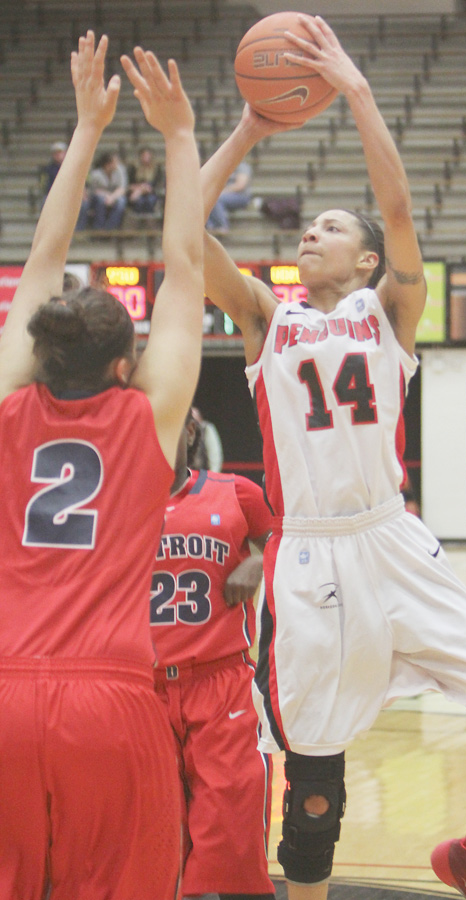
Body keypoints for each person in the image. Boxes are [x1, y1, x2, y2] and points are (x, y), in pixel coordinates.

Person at [198, 15, 466, 900]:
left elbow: (398, 208)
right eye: (308, 226)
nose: (312, 233)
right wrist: (246, 128)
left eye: (330, 225)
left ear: (368, 258)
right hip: (308, 554)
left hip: (392, 537)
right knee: (314, 782)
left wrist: (355, 88)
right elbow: (183, 232)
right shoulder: (269, 319)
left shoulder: (388, 309)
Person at [0, 31, 204, 898]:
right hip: (112, 703)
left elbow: (41, 263)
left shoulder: (9, 407)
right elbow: (186, 269)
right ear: (127, 366)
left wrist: (85, 129)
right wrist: (181, 136)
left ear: (40, 354)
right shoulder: (147, 419)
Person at [151, 410, 275, 900]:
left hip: (222, 684)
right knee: (154, 844)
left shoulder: (235, 492)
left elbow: (294, 537)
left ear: (190, 432)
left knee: (232, 840)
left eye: (168, 423)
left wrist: (262, 559)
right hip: (143, 691)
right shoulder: (113, 500)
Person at [206, 159, 252, 234]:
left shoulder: (242, 166)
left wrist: (221, 192)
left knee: (217, 199)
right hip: (225, 195)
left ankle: (222, 225)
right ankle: (210, 226)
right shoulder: (223, 167)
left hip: (241, 196)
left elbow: (240, 185)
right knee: (207, 198)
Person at [88, 149, 128, 228]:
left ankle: (110, 229)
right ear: (108, 164)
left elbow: (122, 188)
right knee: (100, 200)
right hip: (99, 196)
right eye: (115, 162)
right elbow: (93, 190)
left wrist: (112, 197)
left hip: (114, 195)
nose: (117, 164)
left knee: (121, 201)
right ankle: (98, 228)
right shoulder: (96, 174)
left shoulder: (120, 170)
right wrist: (107, 196)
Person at [127, 145, 164, 214]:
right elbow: (129, 183)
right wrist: (140, 189)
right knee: (139, 202)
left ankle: (149, 221)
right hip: (136, 189)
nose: (146, 158)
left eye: (148, 156)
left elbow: (159, 184)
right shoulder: (133, 167)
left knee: (150, 200)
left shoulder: (157, 168)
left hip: (151, 191)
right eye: (144, 156)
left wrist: (145, 189)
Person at [189, 405, 224, 471]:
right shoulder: (183, 432)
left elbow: (214, 454)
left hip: (204, 473)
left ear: (200, 419)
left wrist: (213, 474)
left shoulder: (206, 429)